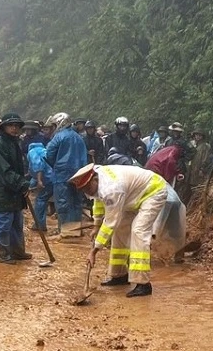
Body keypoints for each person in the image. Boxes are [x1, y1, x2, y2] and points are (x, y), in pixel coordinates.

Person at [71, 163, 168, 298]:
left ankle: (143, 284)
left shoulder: (111, 190)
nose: (86, 192)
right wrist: (96, 225)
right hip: (131, 196)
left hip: (153, 191)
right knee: (119, 231)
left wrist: (94, 251)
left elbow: (110, 222)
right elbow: (99, 201)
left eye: (87, 188)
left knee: (138, 231)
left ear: (95, 179)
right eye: (83, 190)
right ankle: (119, 275)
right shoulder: (97, 181)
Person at [0, 113, 32, 264]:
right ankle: (1, 253)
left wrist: (22, 183)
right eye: (11, 125)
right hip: (3, 191)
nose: (14, 128)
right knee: (3, 224)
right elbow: (5, 172)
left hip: (14, 191)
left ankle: (17, 251)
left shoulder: (14, 142)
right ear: (4, 127)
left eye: (17, 126)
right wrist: (22, 183)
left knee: (16, 223)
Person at [45, 112, 88, 238]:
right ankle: (75, 230)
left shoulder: (59, 137)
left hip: (62, 174)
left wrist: (55, 165)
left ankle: (64, 231)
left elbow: (49, 154)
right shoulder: (79, 137)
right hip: (79, 175)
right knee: (76, 203)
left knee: (63, 203)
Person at [27, 142, 55, 233]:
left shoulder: (33, 152)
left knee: (40, 200)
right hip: (55, 178)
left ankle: (39, 225)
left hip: (47, 179)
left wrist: (39, 181)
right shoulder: (44, 151)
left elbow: (38, 166)